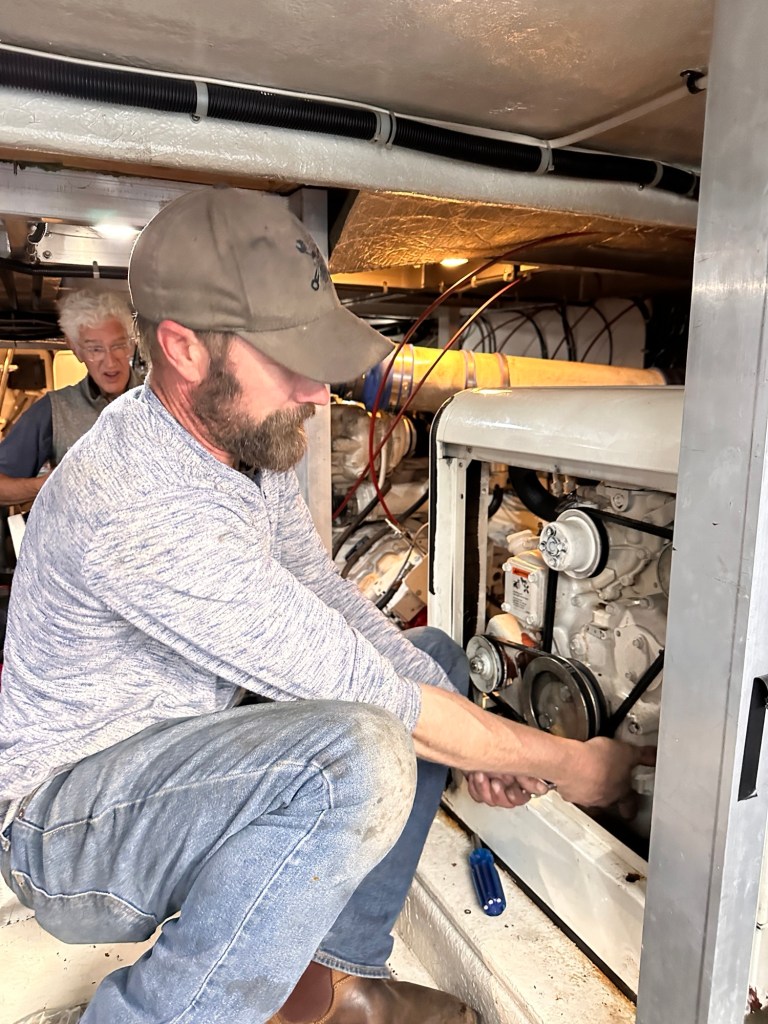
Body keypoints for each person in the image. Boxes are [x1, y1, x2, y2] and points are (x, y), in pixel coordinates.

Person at [0, 188, 653, 1024]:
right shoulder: (137, 501)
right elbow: (371, 698)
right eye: (289, 361)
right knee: (356, 749)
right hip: (68, 829)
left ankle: (346, 985)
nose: (317, 392)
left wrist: (478, 740)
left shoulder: (238, 445)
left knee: (434, 661)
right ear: (184, 349)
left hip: (173, 753)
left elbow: (322, 592)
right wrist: (573, 765)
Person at [0, 289, 140, 506]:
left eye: (118, 346)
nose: (110, 362)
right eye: (95, 349)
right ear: (75, 349)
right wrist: (50, 484)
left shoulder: (164, 400)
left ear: (131, 344)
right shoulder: (54, 410)